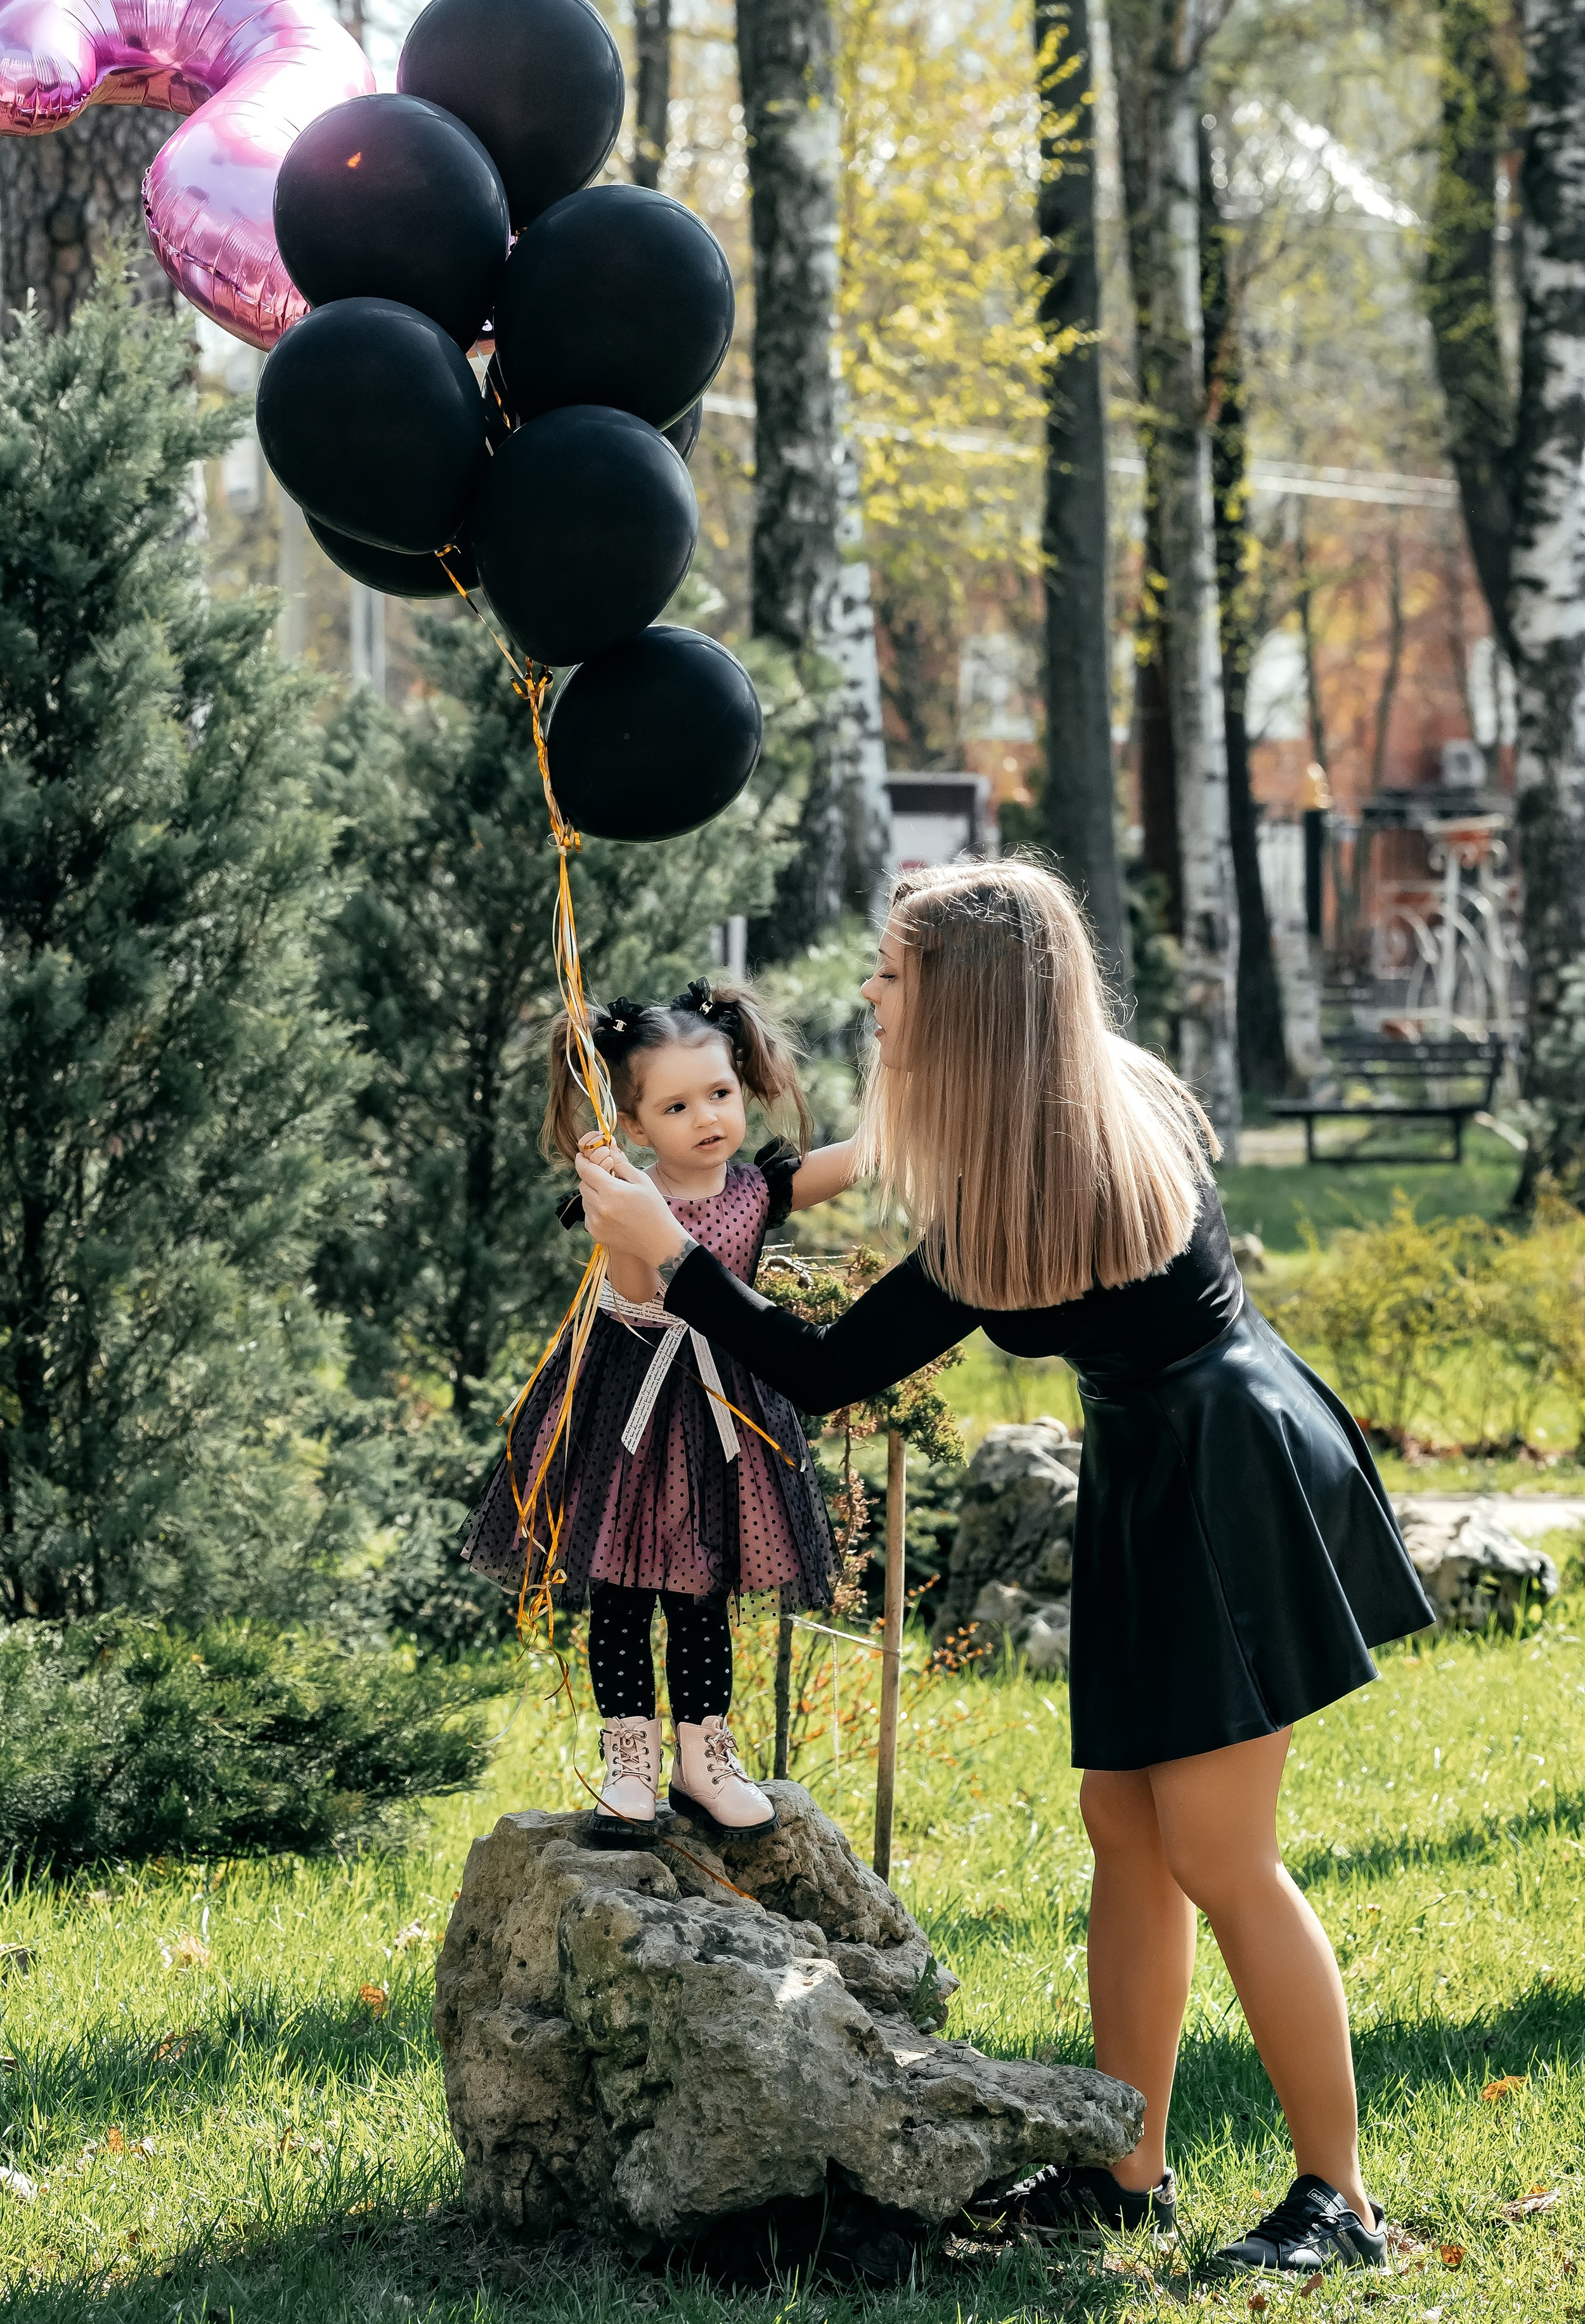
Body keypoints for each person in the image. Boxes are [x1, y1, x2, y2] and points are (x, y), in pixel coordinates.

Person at [576, 863, 1433, 2280]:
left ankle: (1338, 2203)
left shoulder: (1037, 1178)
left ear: (968, 1007)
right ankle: (1122, 2168)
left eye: (893, 976)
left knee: (1221, 1857)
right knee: (1124, 1830)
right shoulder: (1074, 1100)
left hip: (1221, 1481)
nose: (867, 994)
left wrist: (672, 1258)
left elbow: (826, 1368)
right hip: (1170, 1459)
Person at [463, 976, 861, 1842]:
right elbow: (643, 1296)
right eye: (677, 1106)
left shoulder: (757, 1190)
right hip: (634, 1409)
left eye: (720, 1093)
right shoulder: (624, 1196)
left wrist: (924, 1111)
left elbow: (861, 1158)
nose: (707, 1118)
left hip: (727, 1407)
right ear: (636, 1125)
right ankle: (629, 1763)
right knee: (623, 1591)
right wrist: (623, 1213)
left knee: (701, 1595)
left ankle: (703, 1757)